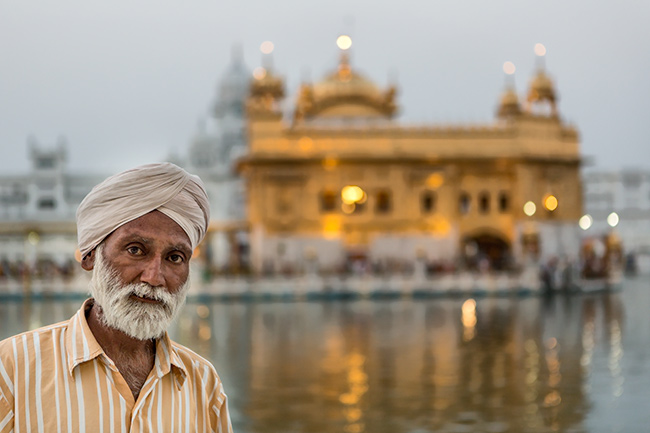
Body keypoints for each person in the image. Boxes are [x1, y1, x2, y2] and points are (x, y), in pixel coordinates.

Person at [0, 163, 232, 433]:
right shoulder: (12, 370)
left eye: (175, 258)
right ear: (89, 255)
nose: (154, 277)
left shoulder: (203, 384)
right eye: (135, 250)